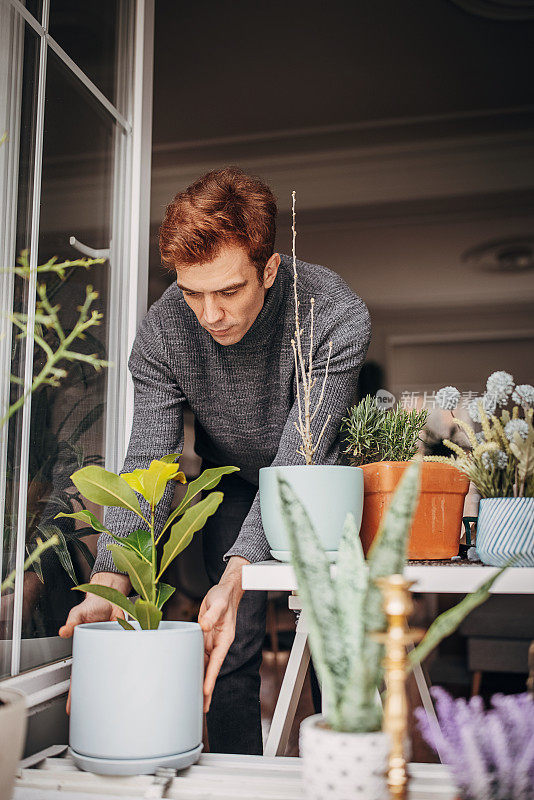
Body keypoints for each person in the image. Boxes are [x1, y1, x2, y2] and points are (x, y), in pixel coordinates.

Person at [59, 166, 371, 754]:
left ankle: (346, 765)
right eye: (192, 292)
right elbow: (147, 463)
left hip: (321, 485)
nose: (210, 314)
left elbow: (299, 458)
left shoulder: (332, 315)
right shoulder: (163, 332)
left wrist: (242, 567)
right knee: (228, 634)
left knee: (338, 641)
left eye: (228, 291)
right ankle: (239, 778)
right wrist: (109, 579)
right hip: (232, 484)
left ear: (270, 270)